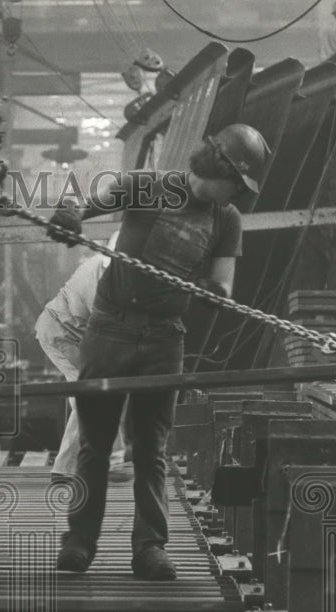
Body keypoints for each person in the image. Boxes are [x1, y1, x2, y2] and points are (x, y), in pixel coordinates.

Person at [47, 123, 269, 580]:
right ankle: (79, 544)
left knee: (151, 450)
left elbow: (225, 281)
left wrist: (215, 291)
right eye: (238, 183)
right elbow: (87, 202)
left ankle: (150, 548)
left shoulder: (225, 218)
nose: (238, 195)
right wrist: (69, 215)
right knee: (94, 445)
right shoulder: (148, 187)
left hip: (165, 339)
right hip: (110, 331)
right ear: (219, 166)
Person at [34, 235, 134, 478]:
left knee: (104, 392)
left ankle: (109, 460)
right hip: (61, 334)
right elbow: (105, 328)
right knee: (93, 395)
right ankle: (69, 468)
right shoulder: (98, 277)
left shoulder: (117, 272)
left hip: (75, 334)